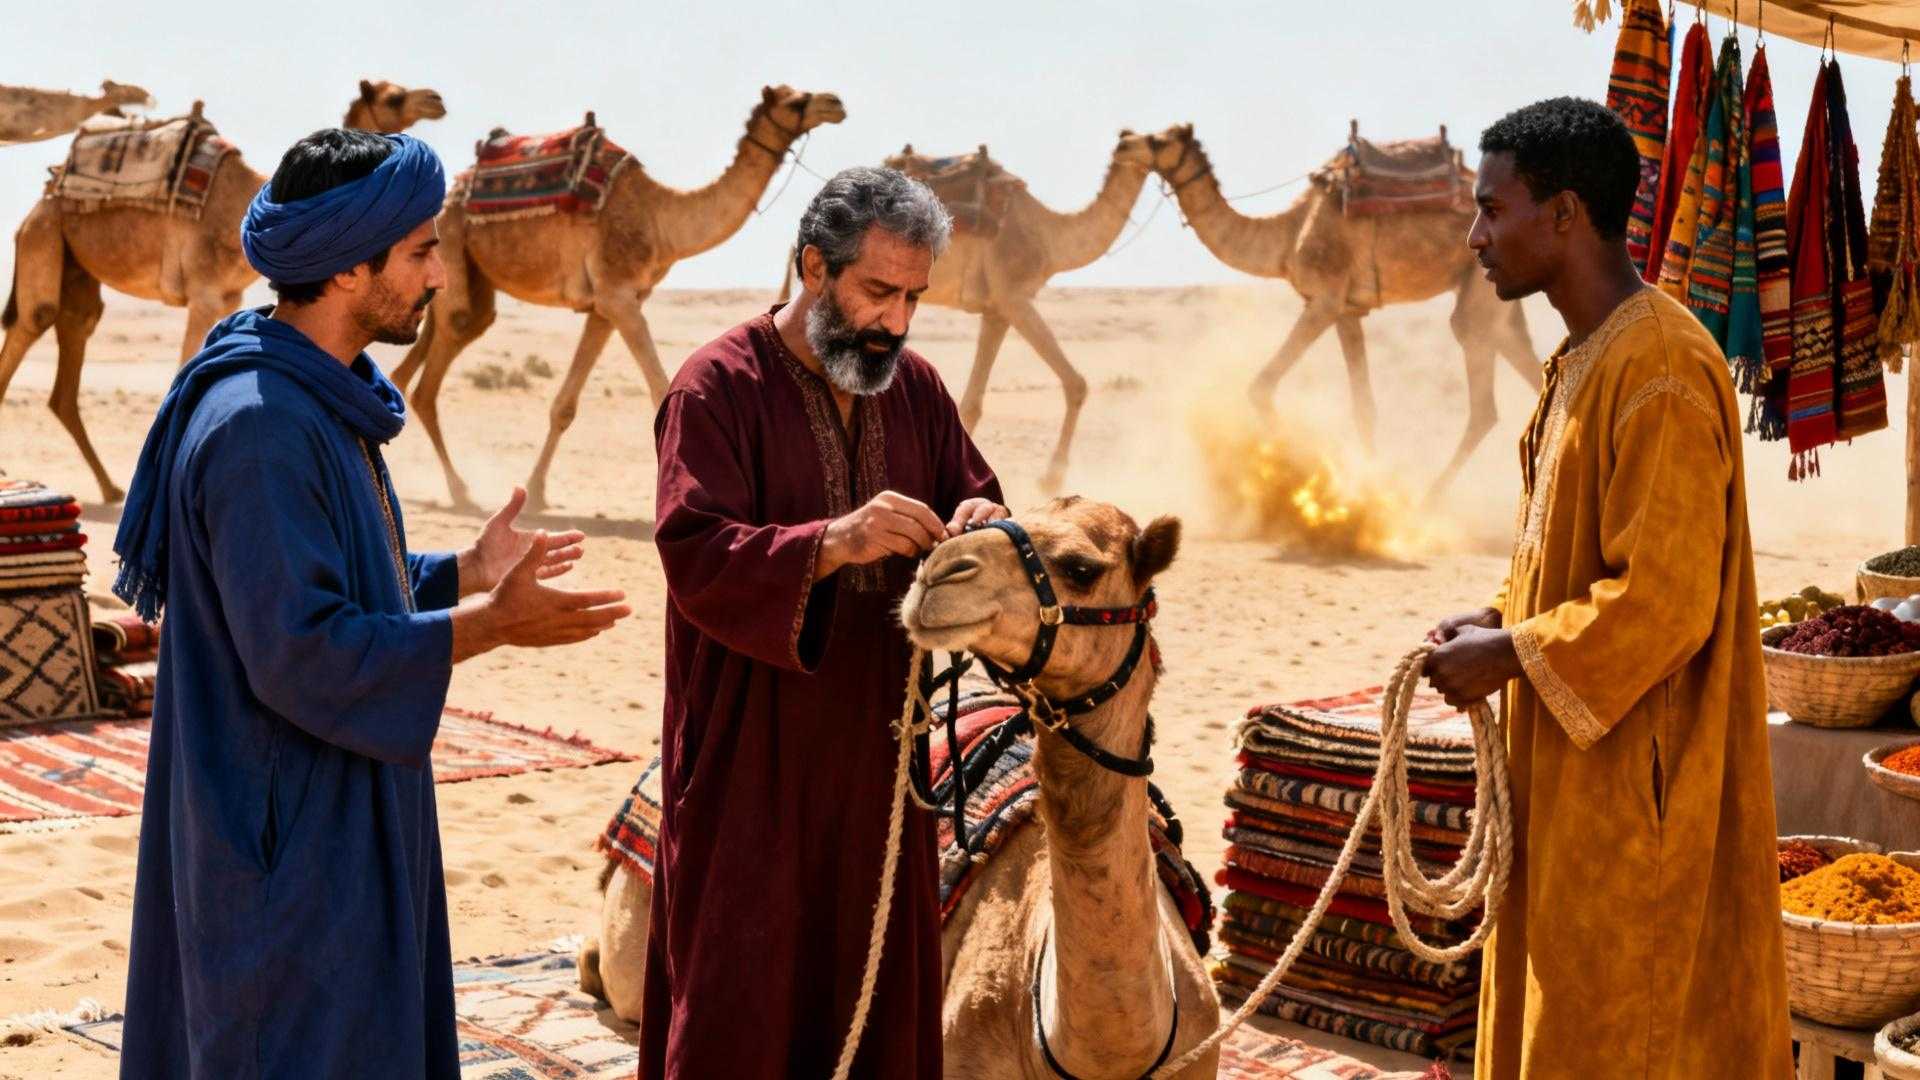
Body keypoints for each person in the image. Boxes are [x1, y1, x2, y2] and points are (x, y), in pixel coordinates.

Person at [114, 128, 632, 1078]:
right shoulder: (263, 427)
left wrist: (464, 571)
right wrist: (490, 629)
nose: (440, 274)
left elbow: (322, 577)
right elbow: (299, 648)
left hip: (327, 809)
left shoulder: (313, 399)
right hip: (284, 836)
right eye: (422, 251)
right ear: (351, 270)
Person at [1422, 97, 1792, 1078]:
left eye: (1491, 210)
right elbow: (1586, 563)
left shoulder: (1661, 368)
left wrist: (1509, 654)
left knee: (1624, 1037)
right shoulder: (1590, 359)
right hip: (1577, 783)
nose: (1475, 237)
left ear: (1565, 215)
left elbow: (1666, 600)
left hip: (1639, 804)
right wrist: (1505, 617)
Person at [643, 167, 1006, 1078]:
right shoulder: (713, 388)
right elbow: (693, 550)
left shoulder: (914, 388)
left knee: (878, 990)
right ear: (813, 266)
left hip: (880, 755)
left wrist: (979, 529)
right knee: (742, 996)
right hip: (751, 757)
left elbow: (982, 500)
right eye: (878, 291)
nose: (896, 321)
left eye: (913, 298)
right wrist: (831, 543)